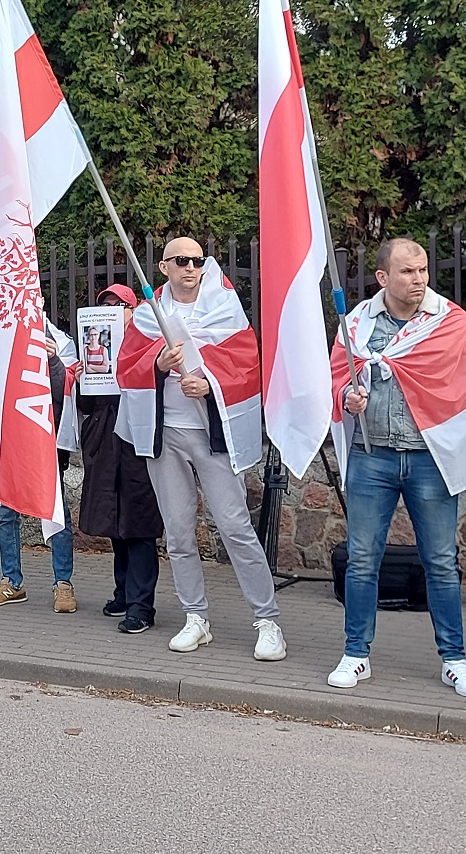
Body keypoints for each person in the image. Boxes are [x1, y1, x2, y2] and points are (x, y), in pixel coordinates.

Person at [330, 238, 466, 698]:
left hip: (430, 458)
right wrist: (347, 397)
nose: (419, 279)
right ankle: (356, 655)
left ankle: (455, 660)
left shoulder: (450, 321)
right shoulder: (357, 322)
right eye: (407, 272)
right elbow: (337, 377)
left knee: (441, 562)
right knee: (362, 561)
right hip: (372, 456)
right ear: (383, 277)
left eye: (422, 270)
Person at [115, 239, 286, 662]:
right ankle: (196, 617)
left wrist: (210, 384)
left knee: (235, 527)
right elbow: (126, 366)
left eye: (197, 260)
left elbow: (247, 366)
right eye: (181, 261)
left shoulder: (225, 307)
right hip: (165, 434)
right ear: (164, 266)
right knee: (177, 531)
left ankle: (268, 621)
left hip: (212, 434)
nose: (191, 267)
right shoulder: (146, 315)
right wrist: (157, 365)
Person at [0, 322, 75, 613]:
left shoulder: (47, 332)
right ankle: (11, 581)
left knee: (55, 510)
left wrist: (52, 359)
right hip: (3, 438)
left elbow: (60, 388)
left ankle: (63, 583)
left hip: (40, 436)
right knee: (5, 511)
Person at [78, 285, 164, 634]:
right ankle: (124, 592)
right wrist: (85, 377)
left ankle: (142, 605)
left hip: (138, 440)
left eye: (120, 305)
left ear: (134, 309)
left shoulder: (148, 342)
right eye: (106, 305)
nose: (113, 310)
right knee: (115, 521)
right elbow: (86, 407)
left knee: (139, 522)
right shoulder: (94, 346)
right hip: (106, 439)